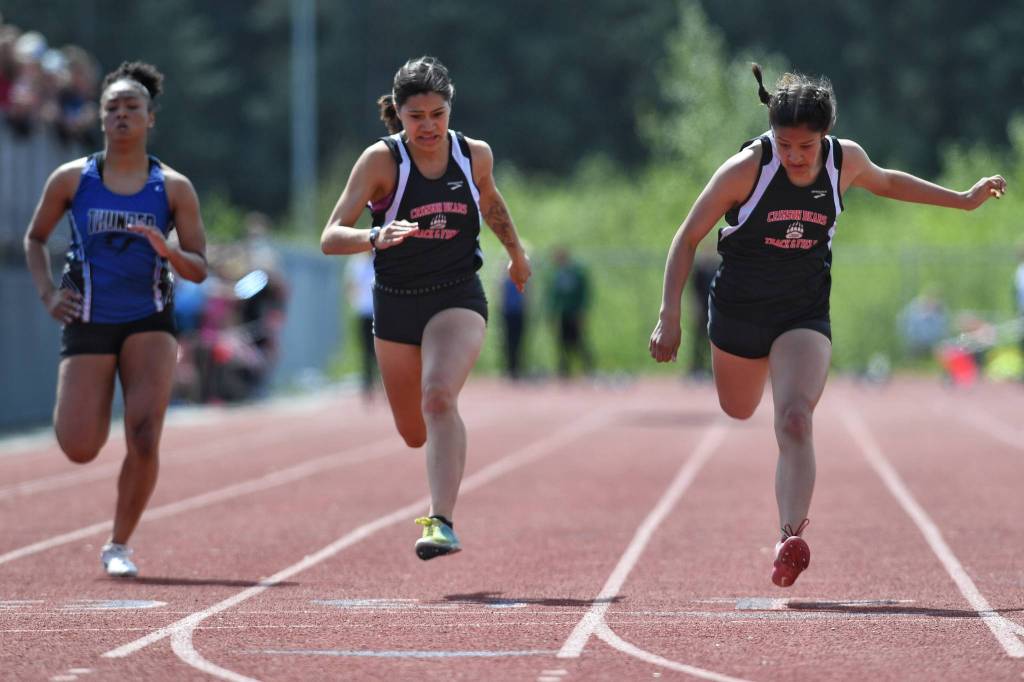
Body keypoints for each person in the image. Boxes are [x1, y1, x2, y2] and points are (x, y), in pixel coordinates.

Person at [649, 64, 1006, 588]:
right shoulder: (747, 169)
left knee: (795, 419)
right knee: (739, 407)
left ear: (825, 137)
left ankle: (789, 537)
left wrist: (962, 198)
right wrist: (669, 315)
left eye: (806, 147)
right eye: (786, 144)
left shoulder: (846, 161)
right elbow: (686, 238)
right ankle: (759, 414)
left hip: (803, 311)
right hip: (740, 310)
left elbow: (889, 182)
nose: (795, 156)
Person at [320, 56, 531, 560]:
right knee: (413, 431)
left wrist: (517, 256)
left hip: (456, 294)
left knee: (438, 397)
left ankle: (441, 521)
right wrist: (375, 235)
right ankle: (436, 478)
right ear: (399, 113)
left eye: (438, 114)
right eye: (417, 117)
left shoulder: (473, 154)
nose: (430, 126)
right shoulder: (380, 162)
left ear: (450, 109)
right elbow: (330, 236)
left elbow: (492, 203)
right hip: (395, 305)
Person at [23, 61, 207, 577]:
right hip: (88, 316)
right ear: (100, 118)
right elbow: (35, 238)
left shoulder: (173, 188)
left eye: (133, 107)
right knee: (79, 445)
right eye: (112, 108)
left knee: (145, 435)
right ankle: (95, 403)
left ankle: (118, 544)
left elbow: (199, 267)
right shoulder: (72, 179)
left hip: (149, 318)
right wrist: (44, 291)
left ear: (150, 118)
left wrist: (165, 249)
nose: (122, 115)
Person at [548, 246, 593, 378]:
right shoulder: (557, 274)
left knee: (578, 341)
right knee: (562, 341)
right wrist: (552, 312)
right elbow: (554, 296)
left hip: (574, 312)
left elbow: (584, 293)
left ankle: (587, 366)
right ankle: (564, 368)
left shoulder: (577, 273)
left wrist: (582, 311)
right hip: (563, 313)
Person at [345, 251, 378, 400]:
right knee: (366, 350)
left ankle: (381, 383)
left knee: (380, 350)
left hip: (379, 312)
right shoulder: (356, 262)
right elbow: (350, 285)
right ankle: (367, 384)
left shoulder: (379, 261)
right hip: (364, 312)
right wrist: (354, 302)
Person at [500, 270, 527, 379]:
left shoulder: (521, 280)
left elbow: (526, 296)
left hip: (519, 312)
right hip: (508, 313)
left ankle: (517, 368)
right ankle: (510, 368)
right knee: (508, 342)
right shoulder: (505, 281)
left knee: (518, 341)